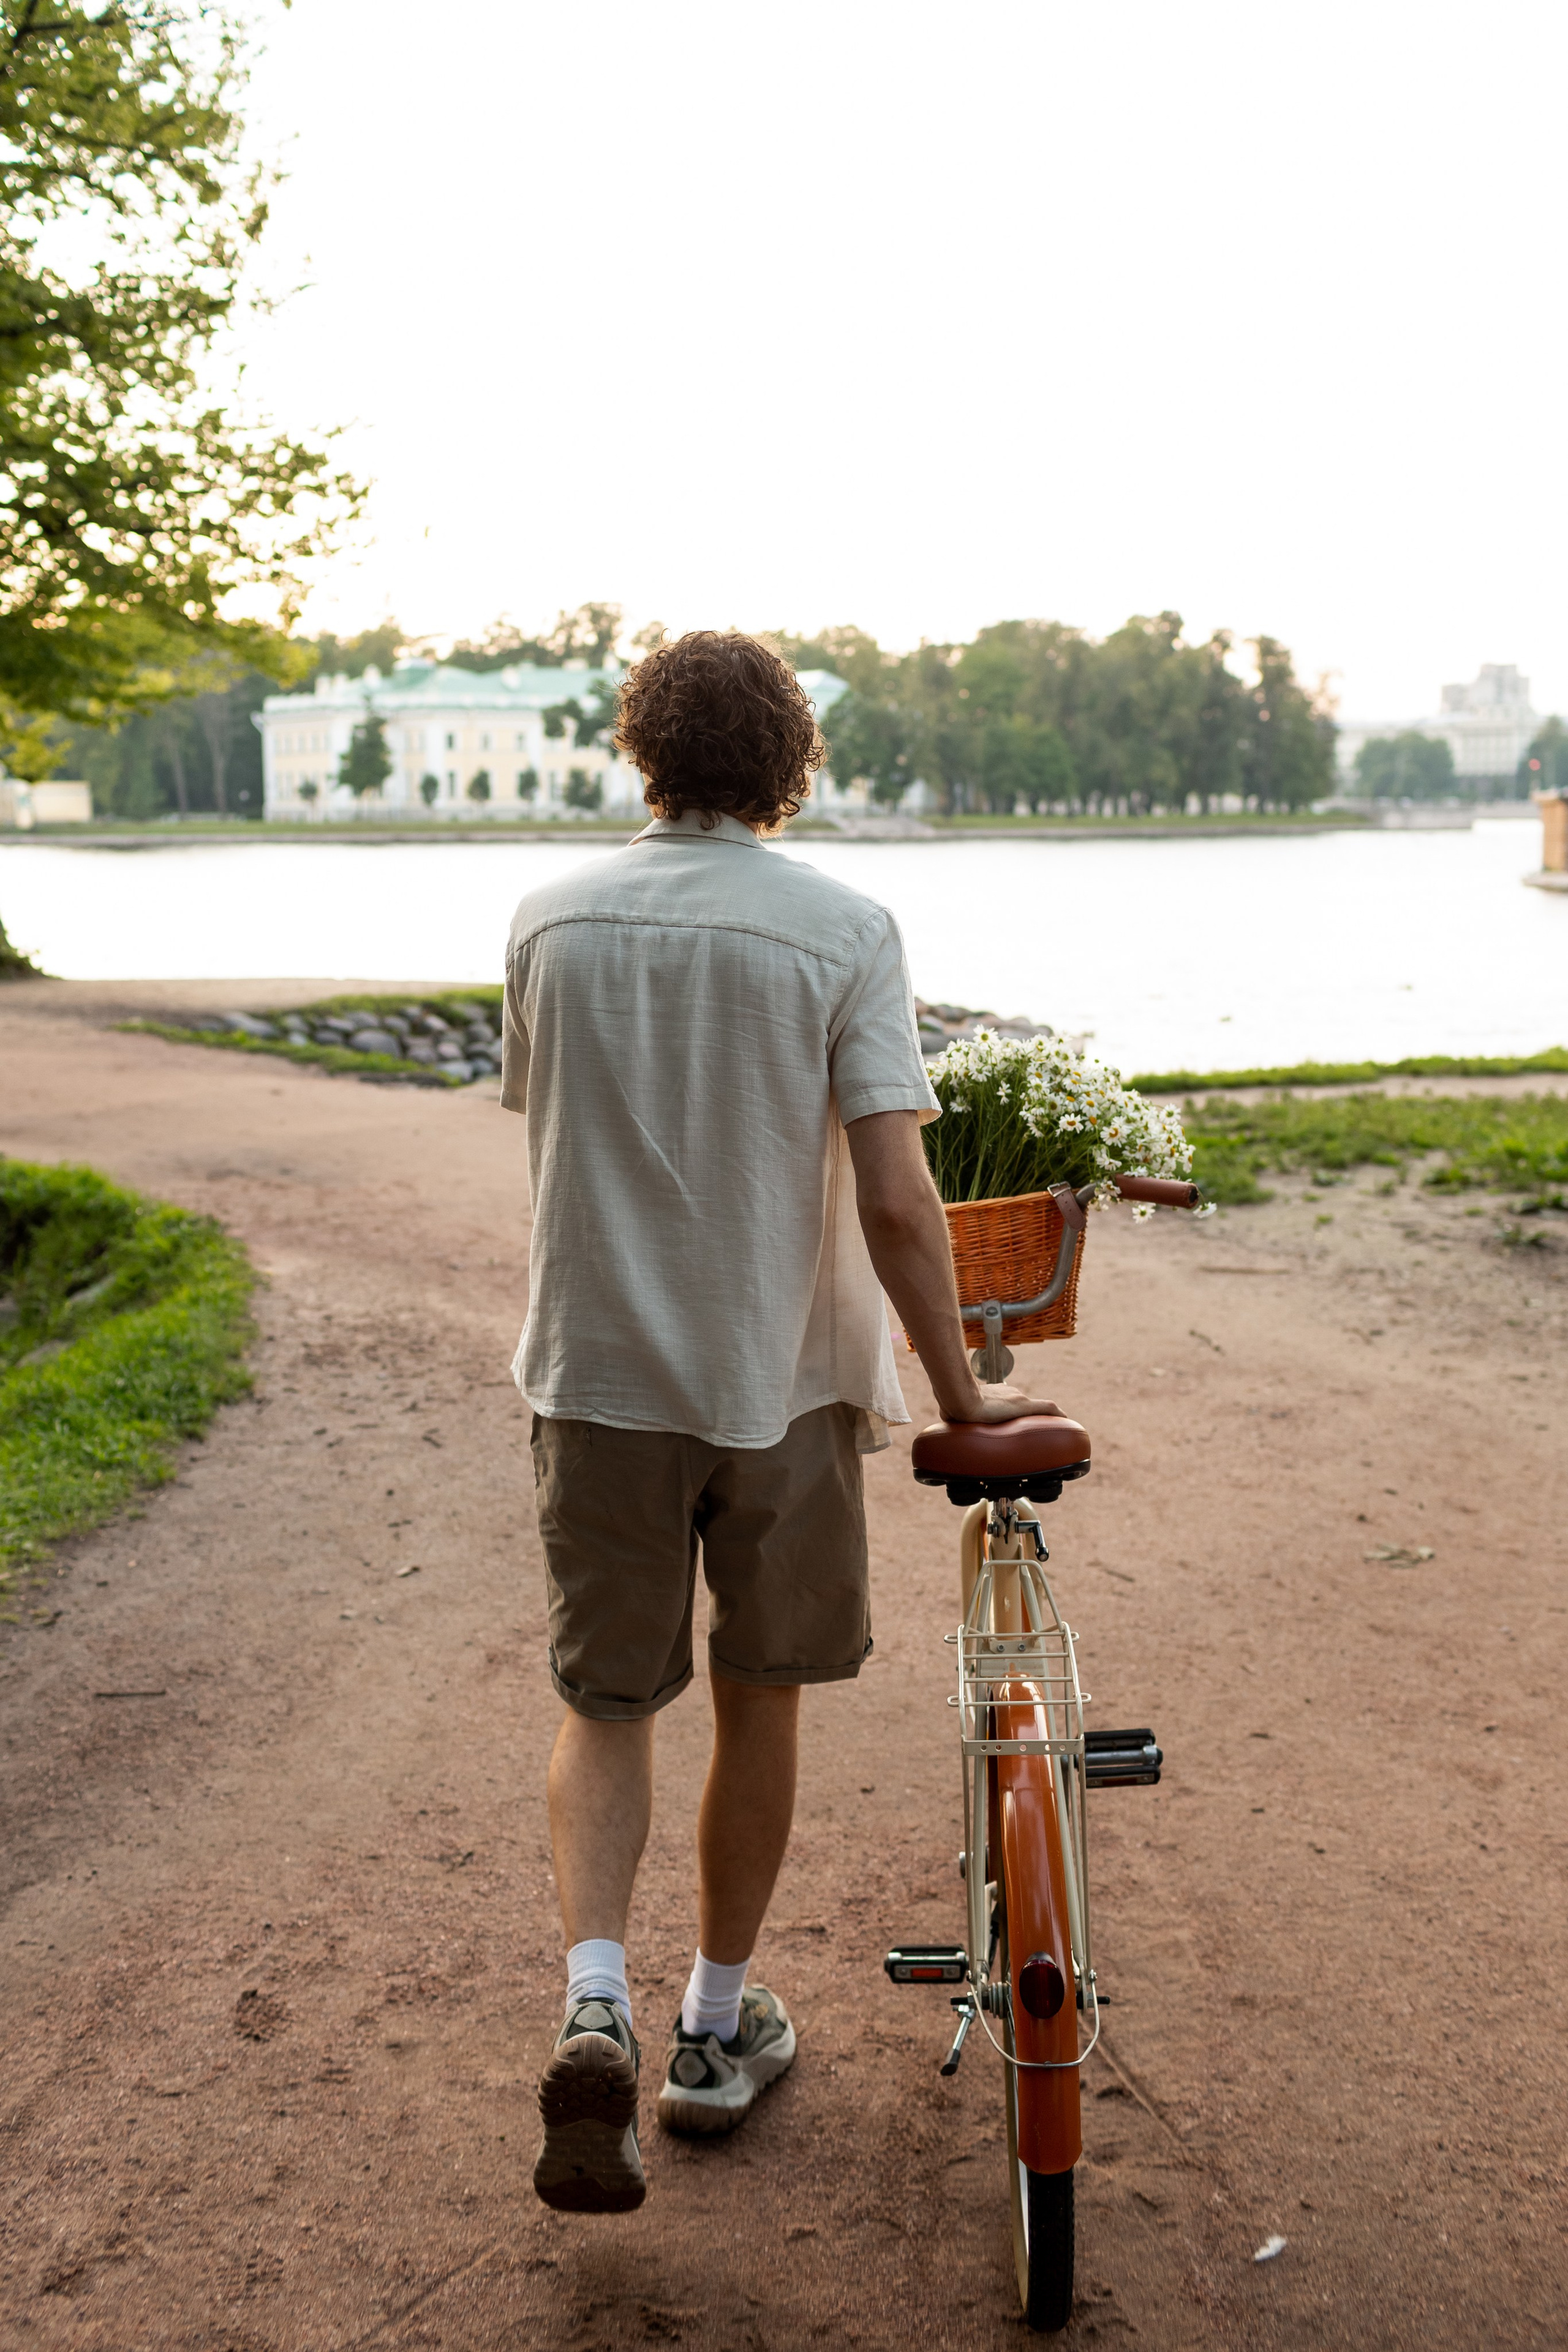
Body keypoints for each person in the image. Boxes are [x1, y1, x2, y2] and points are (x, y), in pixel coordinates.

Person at [501, 630, 1053, 2214]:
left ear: (641, 754)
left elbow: (546, 1128)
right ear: (793, 765)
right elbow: (895, 1200)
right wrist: (965, 1397)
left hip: (596, 1375)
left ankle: (594, 1995)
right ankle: (710, 2030)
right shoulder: (843, 928)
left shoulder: (548, 922)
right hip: (785, 1383)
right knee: (763, 1695)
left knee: (607, 1705)